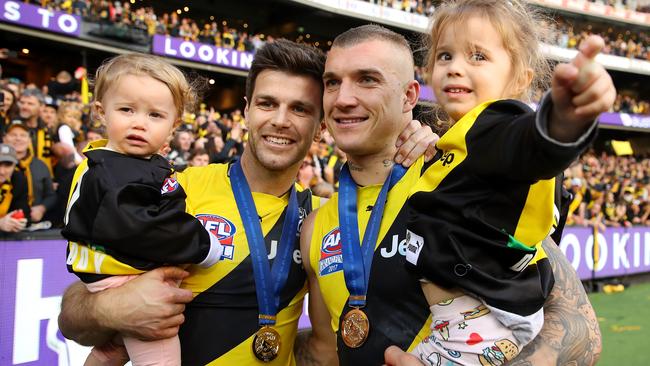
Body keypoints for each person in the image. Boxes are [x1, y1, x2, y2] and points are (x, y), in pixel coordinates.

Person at [57, 39, 436, 365]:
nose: (281, 121)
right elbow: (73, 312)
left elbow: (324, 349)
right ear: (246, 111)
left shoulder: (319, 224)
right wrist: (111, 309)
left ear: (321, 125)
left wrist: (423, 142)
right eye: (267, 103)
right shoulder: (177, 189)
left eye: (300, 109)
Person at [300, 23, 604, 366]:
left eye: (367, 79)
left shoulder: (461, 183)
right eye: (332, 83)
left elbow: (580, 333)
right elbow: (325, 351)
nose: (343, 99)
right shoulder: (315, 228)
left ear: (410, 96)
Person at [402, 1, 615, 365]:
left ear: (520, 80)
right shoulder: (460, 141)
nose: (455, 68)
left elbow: (531, 143)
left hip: (479, 325)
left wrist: (562, 120)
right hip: (478, 318)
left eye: (478, 57)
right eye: (445, 56)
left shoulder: (496, 124)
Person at [61, 53, 223, 366]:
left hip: (119, 270)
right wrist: (202, 244)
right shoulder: (113, 170)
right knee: (160, 354)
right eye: (126, 110)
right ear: (101, 112)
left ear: (174, 125)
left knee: (115, 349)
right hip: (124, 276)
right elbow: (144, 228)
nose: (139, 122)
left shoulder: (130, 164)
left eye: (155, 115)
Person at [3, 121, 56, 223]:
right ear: (4, 138)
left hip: (34, 225)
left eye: (23, 135)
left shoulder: (40, 165)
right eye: (13, 135)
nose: (18, 138)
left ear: (29, 140)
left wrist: (42, 208)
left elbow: (51, 195)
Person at [16, 88, 55, 175]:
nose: (24, 107)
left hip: (44, 178)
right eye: (22, 103)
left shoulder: (48, 129)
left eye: (30, 104)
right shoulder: (12, 127)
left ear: (41, 107)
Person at [0, 143, 30, 232]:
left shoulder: (18, 179)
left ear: (14, 166)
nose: (2, 171)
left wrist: (19, 222)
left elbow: (23, 210)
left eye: (8, 165)